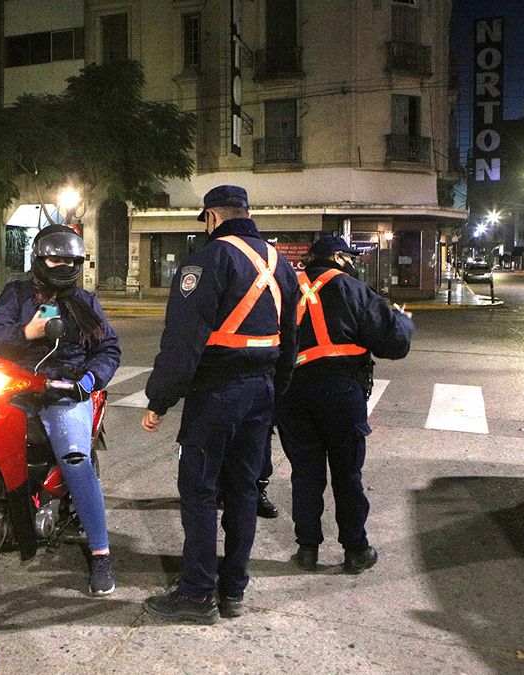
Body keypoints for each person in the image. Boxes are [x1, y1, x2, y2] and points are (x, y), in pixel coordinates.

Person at [140, 185, 298, 624]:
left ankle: (195, 594)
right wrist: (275, 395)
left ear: (211, 217)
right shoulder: (279, 262)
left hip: (218, 393)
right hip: (261, 391)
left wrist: (160, 399)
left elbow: (183, 340)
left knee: (200, 490)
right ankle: (233, 591)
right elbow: (291, 341)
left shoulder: (207, 260)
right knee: (243, 491)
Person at [0, 223, 121, 596]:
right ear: (39, 258)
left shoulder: (86, 303)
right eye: (55, 258)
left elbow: (109, 350)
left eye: (69, 259)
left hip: (64, 392)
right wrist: (28, 333)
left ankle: (101, 551)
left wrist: (88, 382)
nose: (62, 265)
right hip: (18, 388)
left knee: (76, 460)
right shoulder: (16, 294)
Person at [276, 235, 413, 575]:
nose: (353, 263)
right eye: (350, 257)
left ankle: (307, 550)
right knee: (347, 474)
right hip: (340, 393)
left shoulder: (287, 289)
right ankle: (355, 549)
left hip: (293, 393)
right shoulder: (351, 288)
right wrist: (404, 321)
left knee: (305, 474)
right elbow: (392, 343)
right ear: (338, 257)